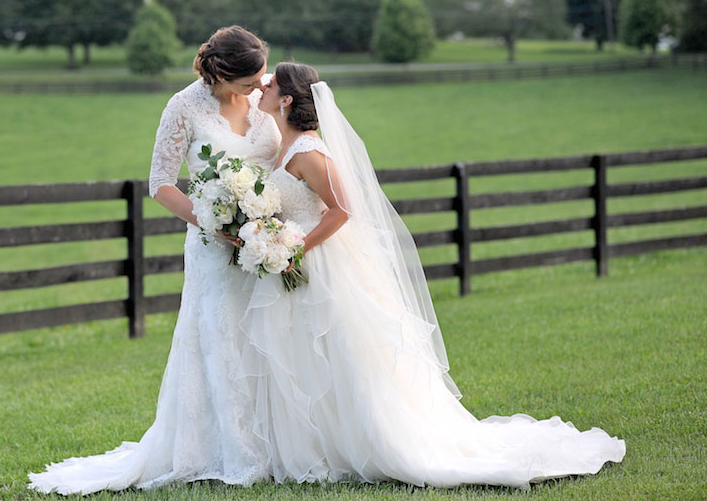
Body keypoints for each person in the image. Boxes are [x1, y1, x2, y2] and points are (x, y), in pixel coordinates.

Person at [239, 61, 625, 488]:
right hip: (298, 265)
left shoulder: (309, 152)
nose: (264, 86)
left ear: (287, 99)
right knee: (308, 355)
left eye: (271, 83)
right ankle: (316, 444)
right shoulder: (284, 145)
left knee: (340, 353)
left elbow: (343, 209)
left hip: (321, 264)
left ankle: (367, 442)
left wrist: (295, 248)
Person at [29, 26, 281, 494]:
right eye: (248, 84)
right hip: (213, 246)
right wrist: (213, 224)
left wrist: (272, 224)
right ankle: (233, 448)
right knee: (222, 336)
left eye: (261, 80)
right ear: (222, 74)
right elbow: (161, 183)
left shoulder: (264, 101)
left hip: (266, 242)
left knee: (269, 333)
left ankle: (283, 443)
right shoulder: (183, 107)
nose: (256, 90)